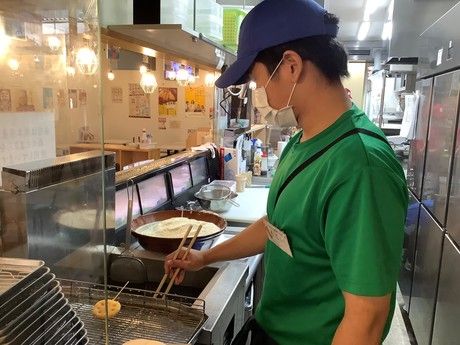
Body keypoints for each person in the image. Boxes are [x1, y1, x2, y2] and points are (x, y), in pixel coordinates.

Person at [164, 1, 408, 344]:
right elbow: (277, 228)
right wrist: (205, 256)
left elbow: (366, 318)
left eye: (256, 81)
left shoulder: (360, 167)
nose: (257, 95)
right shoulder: (303, 140)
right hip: (272, 330)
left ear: (291, 66)